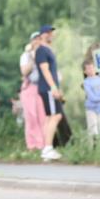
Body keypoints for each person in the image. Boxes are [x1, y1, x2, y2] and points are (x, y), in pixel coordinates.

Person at [35, 25, 64, 161]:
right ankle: (48, 148)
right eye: (47, 32)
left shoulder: (48, 50)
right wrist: (53, 87)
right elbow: (45, 70)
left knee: (49, 117)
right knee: (56, 116)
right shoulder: (41, 50)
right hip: (47, 88)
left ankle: (46, 149)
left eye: (51, 32)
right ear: (41, 35)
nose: (50, 34)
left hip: (48, 87)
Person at [19, 32, 46, 151]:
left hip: (42, 87)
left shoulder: (46, 54)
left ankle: (44, 145)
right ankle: (32, 145)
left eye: (39, 39)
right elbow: (24, 72)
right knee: (31, 117)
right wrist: (33, 58)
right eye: (35, 39)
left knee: (43, 117)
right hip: (30, 87)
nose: (37, 41)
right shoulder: (26, 55)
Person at [83, 60, 100, 148]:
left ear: (95, 69)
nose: (90, 70)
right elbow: (91, 97)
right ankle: (91, 150)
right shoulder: (86, 82)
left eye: (92, 67)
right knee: (93, 130)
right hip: (91, 109)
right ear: (85, 72)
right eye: (88, 69)